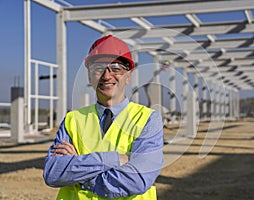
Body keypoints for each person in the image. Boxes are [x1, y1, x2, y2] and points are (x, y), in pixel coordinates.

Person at [43, 35, 164, 200]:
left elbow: (137, 180)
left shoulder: (148, 120)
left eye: (115, 68)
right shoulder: (72, 120)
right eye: (98, 68)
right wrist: (114, 159)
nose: (106, 76)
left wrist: (78, 171)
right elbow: (52, 173)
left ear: (128, 75)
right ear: (89, 75)